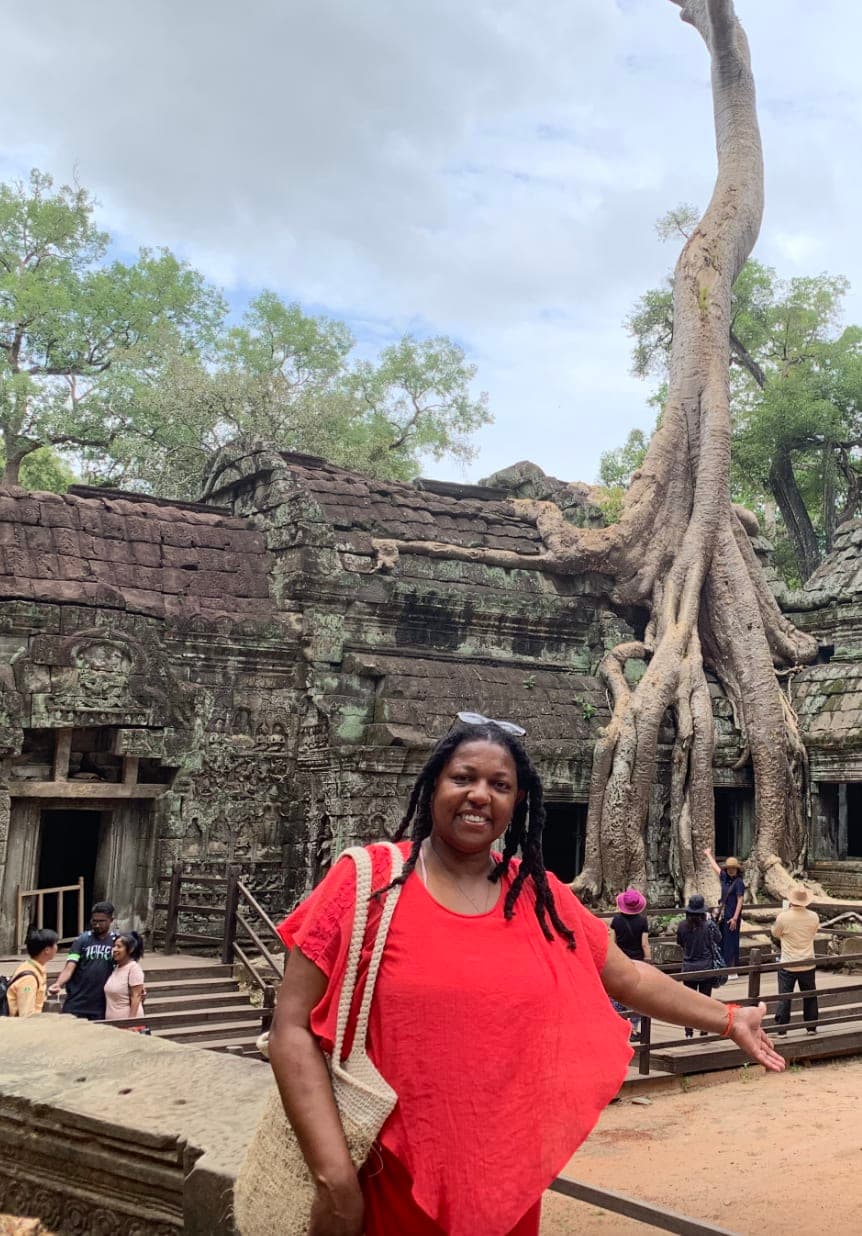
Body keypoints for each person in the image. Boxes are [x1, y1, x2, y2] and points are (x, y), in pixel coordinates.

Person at [267, 716, 783, 1236]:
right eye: (463, 778)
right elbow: (291, 1028)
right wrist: (335, 1180)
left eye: (500, 785)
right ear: (431, 787)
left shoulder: (538, 897)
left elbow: (629, 979)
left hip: (501, 1185)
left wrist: (729, 1018)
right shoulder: (368, 882)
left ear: (517, 803)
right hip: (383, 1181)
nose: (479, 795)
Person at [48, 901, 117, 1020]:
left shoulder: (117, 941)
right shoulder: (82, 940)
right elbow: (70, 966)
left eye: (101, 921)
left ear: (111, 920)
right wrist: (59, 983)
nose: (97, 925)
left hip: (101, 1003)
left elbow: (126, 966)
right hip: (77, 1000)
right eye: (94, 921)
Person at [772, 887, 819, 1035]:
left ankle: (782, 1029)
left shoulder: (783, 917)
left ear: (791, 900)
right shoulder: (813, 916)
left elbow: (775, 933)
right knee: (810, 995)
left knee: (785, 996)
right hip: (807, 962)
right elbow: (814, 932)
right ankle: (811, 1027)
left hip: (788, 963)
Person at [676, 894, 724, 1037]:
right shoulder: (708, 925)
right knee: (705, 1000)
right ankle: (704, 1029)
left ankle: (688, 1030)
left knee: (689, 1002)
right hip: (706, 967)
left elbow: (680, 942)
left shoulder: (682, 926)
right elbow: (719, 938)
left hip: (689, 966)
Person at [610, 887, 651, 1039]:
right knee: (635, 994)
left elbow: (612, 941)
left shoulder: (616, 921)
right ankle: (634, 1028)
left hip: (620, 959)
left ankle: (620, 1024)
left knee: (617, 993)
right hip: (636, 962)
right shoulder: (642, 921)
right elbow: (644, 943)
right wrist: (648, 960)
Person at [704, 848, 745, 971]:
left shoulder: (739, 883)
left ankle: (732, 969)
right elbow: (715, 868)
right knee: (721, 940)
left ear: (737, 869)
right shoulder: (724, 878)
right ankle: (722, 967)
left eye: (733, 868)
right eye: (729, 868)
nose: (731, 870)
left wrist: (735, 918)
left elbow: (740, 900)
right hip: (723, 915)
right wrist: (708, 855)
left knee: (731, 942)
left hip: (732, 916)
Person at [5, 928, 59, 1017]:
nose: (57, 947)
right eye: (55, 944)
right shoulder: (29, 979)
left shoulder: (33, 967)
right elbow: (26, 1014)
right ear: (47, 950)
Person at [103, 932, 146, 1022]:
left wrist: (130, 1024)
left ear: (130, 949)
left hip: (127, 1024)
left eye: (119, 947)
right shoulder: (116, 968)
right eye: (114, 946)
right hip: (113, 1024)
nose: (114, 949)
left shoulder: (133, 968)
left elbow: (136, 997)